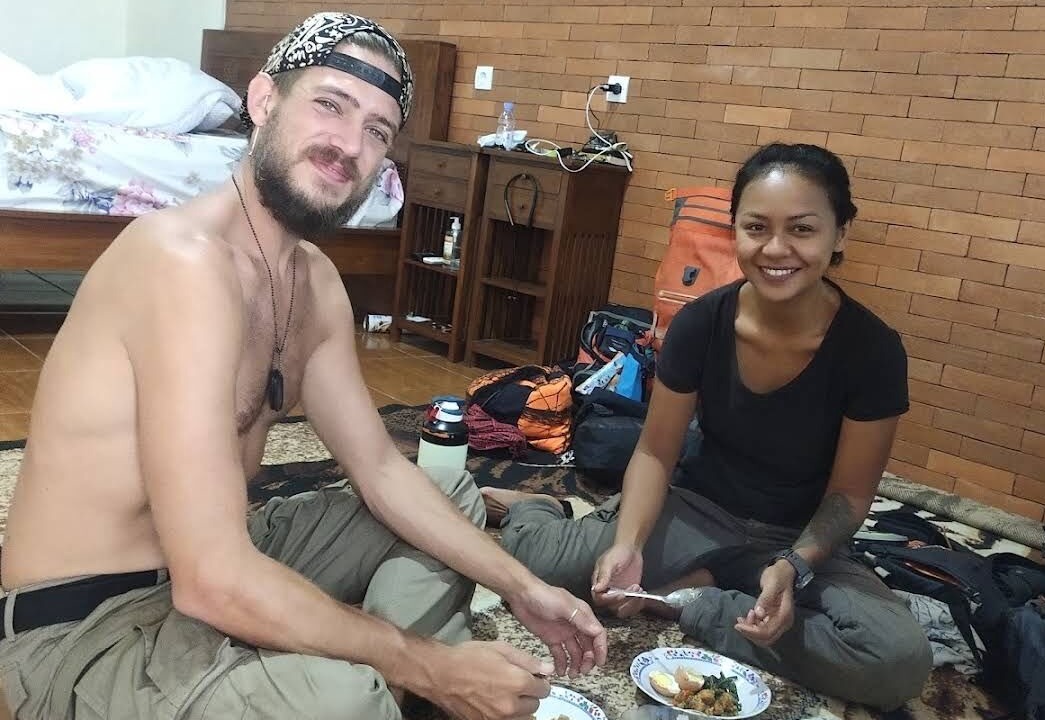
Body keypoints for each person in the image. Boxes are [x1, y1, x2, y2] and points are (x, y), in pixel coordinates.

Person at [0, 13, 606, 720]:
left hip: (212, 567)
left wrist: (522, 585)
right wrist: (430, 665)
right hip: (82, 627)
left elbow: (379, 470)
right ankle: (402, 687)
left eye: (377, 131)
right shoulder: (180, 263)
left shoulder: (313, 283)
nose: (349, 145)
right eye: (330, 104)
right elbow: (212, 580)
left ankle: (387, 687)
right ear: (264, 101)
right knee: (344, 702)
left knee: (450, 501)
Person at [483, 143, 933, 711]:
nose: (776, 249)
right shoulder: (702, 323)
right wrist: (629, 543)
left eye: (802, 229)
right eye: (756, 227)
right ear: (735, 229)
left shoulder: (872, 350)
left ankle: (695, 599)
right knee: (543, 567)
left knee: (896, 662)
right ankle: (536, 509)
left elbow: (848, 496)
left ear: (840, 232)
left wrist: (795, 565)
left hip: (796, 541)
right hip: (699, 510)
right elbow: (656, 450)